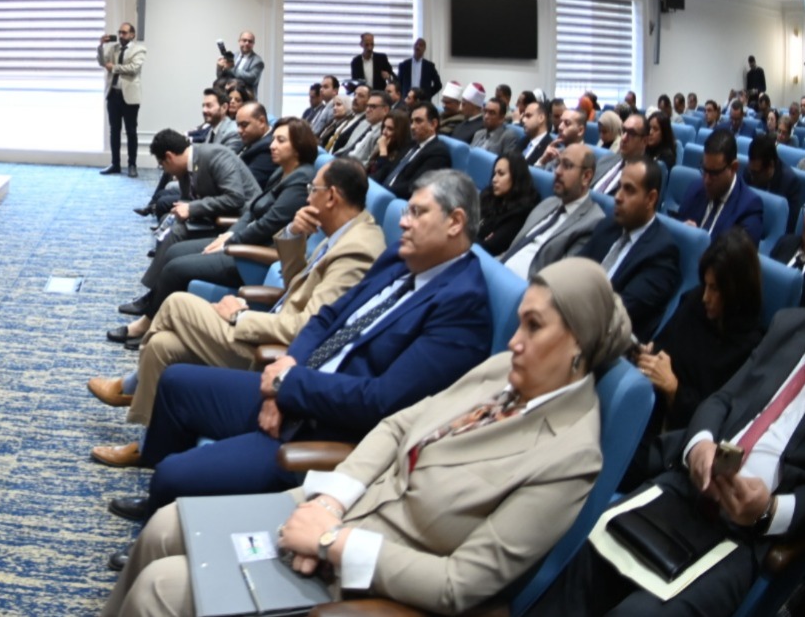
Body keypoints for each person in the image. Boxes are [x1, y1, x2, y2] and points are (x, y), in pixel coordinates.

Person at [107, 258, 631, 617]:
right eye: (518, 324)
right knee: (165, 526)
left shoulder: (570, 456)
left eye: (534, 327)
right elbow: (400, 425)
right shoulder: (501, 372)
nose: (514, 341)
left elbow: (461, 584)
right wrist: (329, 503)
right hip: (329, 508)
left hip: (367, 574)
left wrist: (334, 544)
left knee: (160, 589)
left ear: (578, 343)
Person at [101, 170, 493, 524]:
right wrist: (286, 371)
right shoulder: (401, 259)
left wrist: (289, 386)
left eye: (417, 213)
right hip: (298, 387)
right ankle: (158, 503)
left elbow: (382, 402)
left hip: (323, 429)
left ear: (455, 222)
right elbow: (326, 319)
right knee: (176, 383)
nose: (403, 222)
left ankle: (161, 517)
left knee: (171, 475)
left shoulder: (462, 307)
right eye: (406, 211)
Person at [87, 157, 385, 462]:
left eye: (313, 189)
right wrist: (294, 234)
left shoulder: (356, 251)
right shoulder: (342, 233)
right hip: (269, 327)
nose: (308, 197)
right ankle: (149, 443)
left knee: (176, 303)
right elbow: (295, 285)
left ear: (331, 196)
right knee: (162, 345)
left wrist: (240, 316)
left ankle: (130, 386)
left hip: (274, 353)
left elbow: (308, 327)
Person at [529, 303, 805, 616]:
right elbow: (724, 398)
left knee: (640, 614)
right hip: (688, 485)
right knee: (581, 555)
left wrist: (770, 510)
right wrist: (699, 444)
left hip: (744, 535)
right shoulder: (791, 324)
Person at [111, 119, 312, 339]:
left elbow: (267, 224)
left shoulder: (300, 181)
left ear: (299, 145)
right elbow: (252, 212)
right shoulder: (282, 173)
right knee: (174, 251)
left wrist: (231, 241)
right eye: (273, 140)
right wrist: (230, 233)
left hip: (253, 255)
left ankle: (146, 325)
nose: (272, 145)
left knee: (175, 268)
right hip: (241, 237)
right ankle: (158, 314)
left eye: (280, 141)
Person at [623, 230, 763, 489]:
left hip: (675, 443)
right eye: (705, 285)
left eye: (715, 289)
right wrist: (647, 355)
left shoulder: (750, 346)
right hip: (646, 407)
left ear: (736, 292)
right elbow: (663, 347)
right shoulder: (695, 303)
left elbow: (718, 422)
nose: (706, 296)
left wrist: (674, 389)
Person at [110, 129, 260, 335]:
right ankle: (153, 298)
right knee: (174, 230)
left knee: (176, 236)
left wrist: (193, 208)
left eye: (162, 165)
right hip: (216, 218)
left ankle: (152, 303)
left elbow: (235, 198)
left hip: (236, 224)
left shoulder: (216, 156)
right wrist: (186, 207)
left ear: (169, 157)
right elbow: (192, 197)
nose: (165, 170)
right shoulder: (185, 168)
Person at [580, 158, 679, 337]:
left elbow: (620, 313)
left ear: (651, 199)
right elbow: (575, 268)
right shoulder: (607, 226)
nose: (618, 197)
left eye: (629, 190)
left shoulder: (662, 253)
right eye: (619, 187)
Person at [499, 144, 602, 279]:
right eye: (558, 164)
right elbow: (513, 249)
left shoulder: (593, 222)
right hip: (499, 270)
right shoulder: (548, 203)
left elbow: (560, 280)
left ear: (586, 176)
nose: (557, 171)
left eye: (567, 166)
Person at [677, 129, 763, 244]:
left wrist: (696, 242)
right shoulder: (695, 188)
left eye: (714, 173)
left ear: (734, 168)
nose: (707, 180)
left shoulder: (749, 208)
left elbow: (737, 253)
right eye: (705, 170)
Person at [99, 23, 146, 176]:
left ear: (132, 34)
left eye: (124, 33)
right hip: (113, 94)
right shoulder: (113, 48)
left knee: (131, 132)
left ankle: (132, 165)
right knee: (114, 131)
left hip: (130, 97)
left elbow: (133, 68)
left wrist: (114, 68)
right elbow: (102, 62)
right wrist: (100, 46)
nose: (121, 35)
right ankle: (115, 164)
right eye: (119, 32)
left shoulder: (139, 49)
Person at [383, 102, 451, 199]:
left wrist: (383, 191)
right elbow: (389, 169)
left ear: (433, 124)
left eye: (418, 121)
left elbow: (415, 186)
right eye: (412, 121)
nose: (412, 126)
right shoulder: (410, 144)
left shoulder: (438, 153)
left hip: (400, 200)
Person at [476, 151, 539, 256]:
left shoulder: (521, 211)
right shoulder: (488, 194)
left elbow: (490, 246)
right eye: (495, 174)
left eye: (501, 174)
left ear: (516, 177)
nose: (494, 179)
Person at [747, 135, 805, 226]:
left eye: (756, 173)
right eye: (751, 171)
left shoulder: (790, 183)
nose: (752, 177)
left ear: (770, 165)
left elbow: (789, 225)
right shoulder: (750, 170)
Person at [593, 112, 646, 194]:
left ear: (644, 141)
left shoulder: (645, 174)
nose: (623, 138)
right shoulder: (607, 158)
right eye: (623, 131)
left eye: (631, 133)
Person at [233, 102, 275, 188]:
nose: (239, 130)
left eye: (244, 125)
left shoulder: (269, 148)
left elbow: (247, 184)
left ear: (261, 121)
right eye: (238, 125)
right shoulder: (250, 139)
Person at [338, 92, 388, 163]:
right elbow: (347, 147)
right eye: (367, 106)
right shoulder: (363, 123)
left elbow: (369, 162)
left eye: (373, 107)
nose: (367, 110)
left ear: (385, 110)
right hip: (341, 159)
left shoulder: (383, 132)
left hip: (352, 166)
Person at [365, 110, 410, 183]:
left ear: (400, 131)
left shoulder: (403, 153)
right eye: (384, 127)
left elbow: (380, 175)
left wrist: (383, 150)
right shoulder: (386, 145)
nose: (384, 132)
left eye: (390, 129)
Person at [217, 31, 264, 98]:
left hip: (246, 99)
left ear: (253, 44)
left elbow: (251, 78)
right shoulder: (233, 55)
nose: (247, 43)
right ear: (239, 41)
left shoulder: (258, 61)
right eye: (244, 40)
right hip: (229, 97)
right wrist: (219, 67)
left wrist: (231, 68)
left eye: (250, 41)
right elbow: (221, 77)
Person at [396, 37, 442, 102]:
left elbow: (438, 85)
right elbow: (398, 83)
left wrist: (428, 94)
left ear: (424, 49)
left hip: (423, 100)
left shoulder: (429, 66)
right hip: (407, 99)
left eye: (420, 45)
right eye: (416, 44)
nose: (418, 47)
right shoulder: (404, 65)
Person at [518, 100, 553, 167]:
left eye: (528, 116)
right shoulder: (523, 140)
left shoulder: (549, 148)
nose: (523, 120)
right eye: (524, 116)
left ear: (541, 118)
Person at [644, 110, 680, 174]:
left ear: (664, 133)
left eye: (655, 129)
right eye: (649, 128)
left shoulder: (667, 156)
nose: (650, 132)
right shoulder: (643, 147)